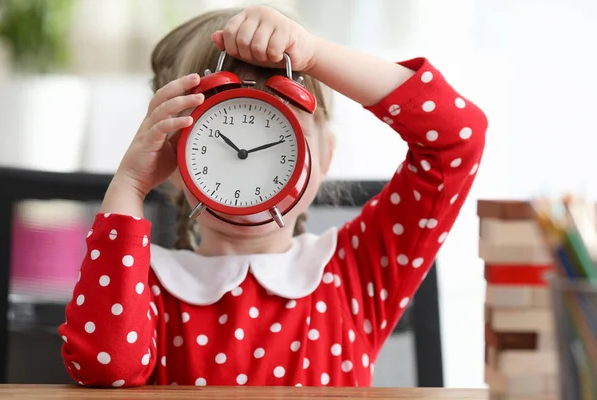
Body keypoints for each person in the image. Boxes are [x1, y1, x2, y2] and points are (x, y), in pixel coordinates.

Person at [58, 6, 487, 388]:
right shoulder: (144, 283)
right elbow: (105, 368)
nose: (244, 164)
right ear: (171, 164)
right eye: (217, 141)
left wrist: (314, 54)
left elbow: (456, 137)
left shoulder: (356, 270)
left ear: (324, 159)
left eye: (282, 142)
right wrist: (129, 187)